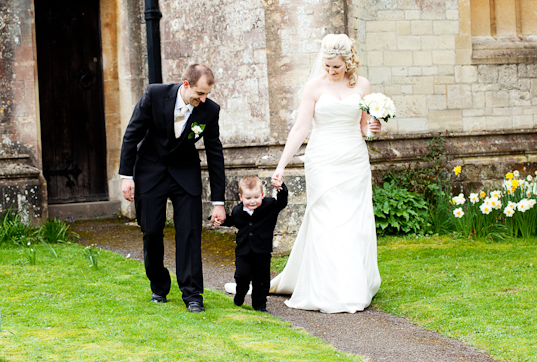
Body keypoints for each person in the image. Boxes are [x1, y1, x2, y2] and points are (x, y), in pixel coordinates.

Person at [268, 33, 382, 313]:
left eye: (336, 67)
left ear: (349, 62)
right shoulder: (314, 87)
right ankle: (325, 288)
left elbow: (365, 128)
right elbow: (300, 128)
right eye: (327, 65)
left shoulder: (363, 85)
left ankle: (352, 286)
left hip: (354, 159)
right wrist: (281, 166)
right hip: (322, 160)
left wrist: (375, 129)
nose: (330, 71)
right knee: (327, 220)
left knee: (354, 222)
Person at [119, 64, 226, 313]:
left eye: (207, 95)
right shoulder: (155, 95)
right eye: (199, 94)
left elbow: (215, 153)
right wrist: (127, 176)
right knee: (152, 231)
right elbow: (132, 134)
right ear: (186, 85)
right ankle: (159, 286)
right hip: (150, 172)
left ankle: (193, 294)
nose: (203, 100)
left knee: (189, 233)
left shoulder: (210, 111)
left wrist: (218, 202)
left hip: (184, 175)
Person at [215, 176, 288, 312]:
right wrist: (222, 221)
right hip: (244, 251)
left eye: (256, 197)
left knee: (261, 280)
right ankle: (240, 294)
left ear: (262, 195)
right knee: (241, 275)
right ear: (241, 197)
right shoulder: (238, 210)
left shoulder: (270, 205)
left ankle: (259, 305)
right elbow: (235, 221)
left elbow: (282, 203)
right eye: (248, 198)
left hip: (262, 251)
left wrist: (281, 189)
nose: (252, 201)